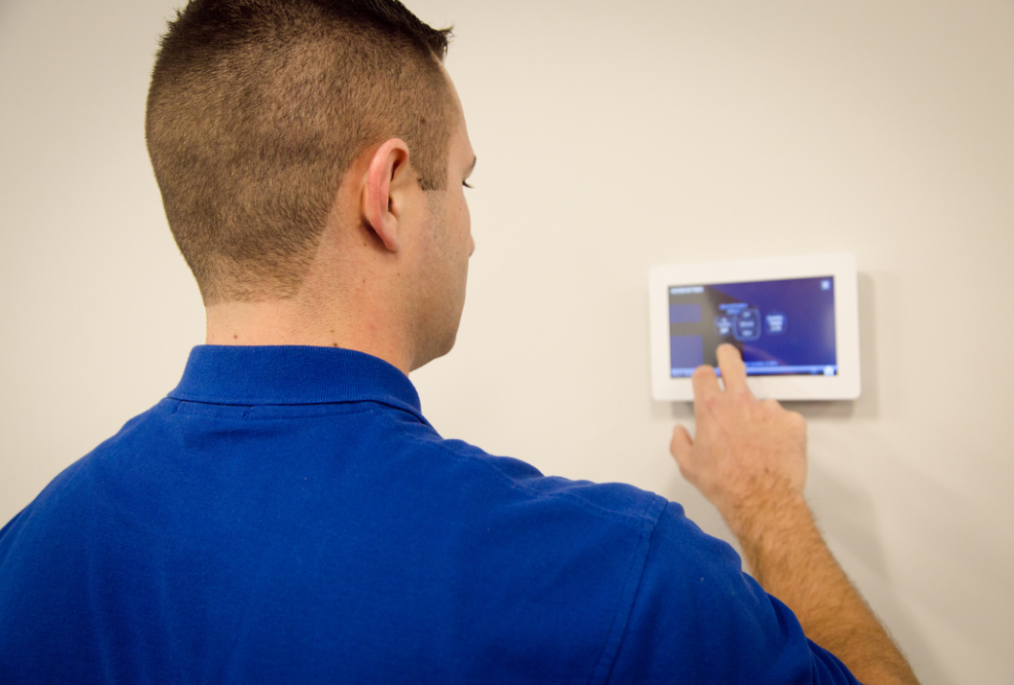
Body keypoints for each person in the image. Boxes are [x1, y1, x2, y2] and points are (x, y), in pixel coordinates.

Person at [0, 1, 919, 683]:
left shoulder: (28, 553)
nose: (473, 233)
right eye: (465, 185)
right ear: (390, 191)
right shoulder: (621, 573)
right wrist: (767, 505)